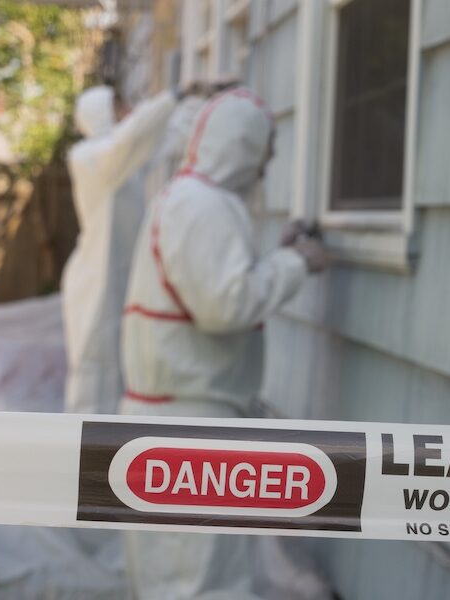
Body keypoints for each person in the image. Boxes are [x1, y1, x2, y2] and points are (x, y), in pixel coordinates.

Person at [119, 87, 329, 599]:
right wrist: (297, 263)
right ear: (243, 145)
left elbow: (212, 286)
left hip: (173, 421)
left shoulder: (189, 199)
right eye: (266, 150)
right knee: (201, 581)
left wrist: (272, 260)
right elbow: (224, 305)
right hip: (189, 431)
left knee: (170, 575)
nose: (267, 165)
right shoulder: (203, 206)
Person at [62, 84, 180, 415]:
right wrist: (172, 95)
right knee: (92, 364)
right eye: (120, 106)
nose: (127, 110)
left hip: (118, 273)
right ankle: (79, 447)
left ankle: (111, 447)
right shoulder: (88, 156)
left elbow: (159, 141)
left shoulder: (121, 160)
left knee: (119, 362)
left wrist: (191, 105)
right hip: (93, 277)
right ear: (102, 112)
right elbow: (130, 138)